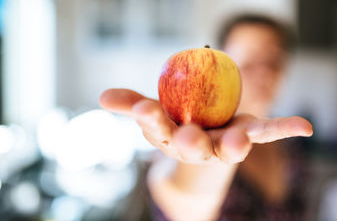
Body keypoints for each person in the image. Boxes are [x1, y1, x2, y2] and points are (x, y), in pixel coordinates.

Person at [100, 13, 313, 221]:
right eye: (248, 61)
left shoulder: (292, 150)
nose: (264, 73)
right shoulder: (187, 145)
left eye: (273, 60)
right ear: (220, 69)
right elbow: (183, 198)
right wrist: (207, 163)